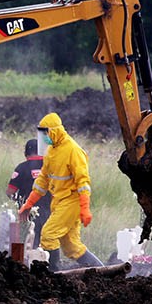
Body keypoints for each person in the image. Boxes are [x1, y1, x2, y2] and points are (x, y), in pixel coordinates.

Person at [18, 113, 103, 271]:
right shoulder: (51, 151)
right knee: (72, 247)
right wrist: (28, 204)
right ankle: (104, 272)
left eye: (46, 134)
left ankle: (54, 274)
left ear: (55, 131)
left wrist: (84, 208)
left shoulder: (73, 151)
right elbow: (43, 181)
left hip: (72, 201)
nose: (44, 138)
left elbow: (83, 183)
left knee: (48, 235)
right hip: (58, 201)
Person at [7, 139, 51, 247]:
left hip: (27, 212)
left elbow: (10, 192)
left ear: (25, 153)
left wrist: (18, 202)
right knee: (49, 242)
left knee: (27, 242)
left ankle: (28, 262)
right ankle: (51, 262)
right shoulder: (51, 167)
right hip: (50, 212)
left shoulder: (21, 168)